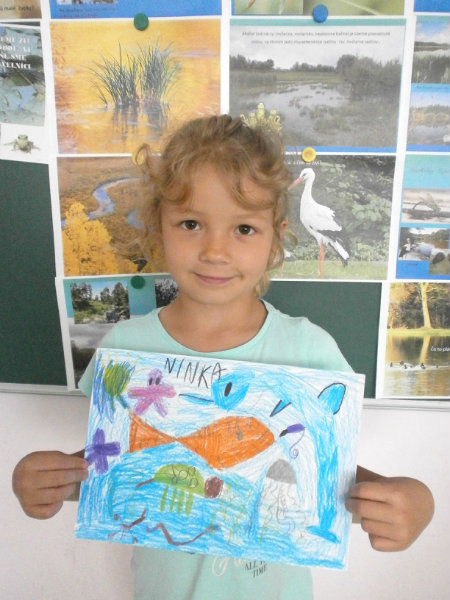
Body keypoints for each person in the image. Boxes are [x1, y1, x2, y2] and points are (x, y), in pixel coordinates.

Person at [12, 115, 434, 600]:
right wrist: (52, 480)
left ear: (275, 238)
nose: (215, 250)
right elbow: (116, 461)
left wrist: (414, 501)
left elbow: (323, 471)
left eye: (244, 228)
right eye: (191, 224)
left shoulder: (310, 350)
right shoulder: (125, 348)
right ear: (159, 227)